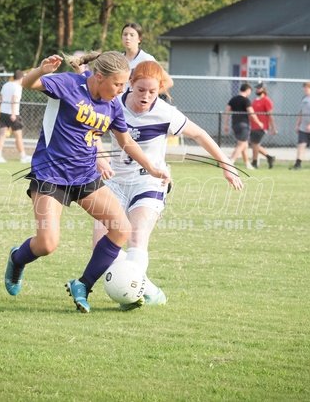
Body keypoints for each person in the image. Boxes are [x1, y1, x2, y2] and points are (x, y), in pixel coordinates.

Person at [3, 51, 171, 314]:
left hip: (85, 176)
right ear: (99, 77)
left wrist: (151, 167)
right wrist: (41, 70)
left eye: (123, 85)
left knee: (121, 229)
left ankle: (82, 285)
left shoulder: (113, 105)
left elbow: (126, 141)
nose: (121, 91)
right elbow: (28, 83)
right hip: (51, 174)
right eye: (117, 84)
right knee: (47, 244)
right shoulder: (69, 84)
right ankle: (17, 258)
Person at [93, 60, 244, 310]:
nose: (146, 96)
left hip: (150, 181)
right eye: (141, 90)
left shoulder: (165, 113)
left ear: (160, 89)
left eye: (152, 91)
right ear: (130, 84)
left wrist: (225, 164)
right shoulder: (113, 103)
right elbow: (92, 133)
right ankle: (149, 291)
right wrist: (99, 157)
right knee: (102, 246)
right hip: (115, 182)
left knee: (137, 237)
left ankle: (131, 295)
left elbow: (200, 134)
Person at [121, 22, 173, 91]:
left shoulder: (146, 59)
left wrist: (149, 95)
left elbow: (168, 82)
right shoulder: (118, 59)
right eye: (125, 34)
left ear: (139, 39)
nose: (127, 37)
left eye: (132, 35)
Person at [0, 70, 32, 163]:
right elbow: (14, 99)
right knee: (18, 136)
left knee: (2, 134)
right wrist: (13, 114)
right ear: (21, 78)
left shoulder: (6, 85)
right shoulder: (17, 87)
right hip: (13, 114)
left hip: (3, 113)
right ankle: (23, 156)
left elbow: (1, 99)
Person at [226, 83, 264, 170]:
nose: (250, 93)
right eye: (250, 91)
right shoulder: (246, 100)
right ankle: (231, 161)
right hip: (244, 125)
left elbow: (227, 111)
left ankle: (247, 164)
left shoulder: (233, 99)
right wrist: (259, 123)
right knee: (242, 144)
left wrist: (226, 124)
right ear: (247, 90)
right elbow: (251, 113)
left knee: (245, 144)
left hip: (235, 124)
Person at [250, 82, 277, 169]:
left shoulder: (266, 100)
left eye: (259, 88)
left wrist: (273, 127)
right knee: (254, 144)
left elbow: (270, 115)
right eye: (257, 88)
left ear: (264, 89)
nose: (257, 90)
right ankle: (269, 157)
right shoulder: (255, 100)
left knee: (255, 144)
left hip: (262, 126)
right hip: (253, 126)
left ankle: (254, 162)